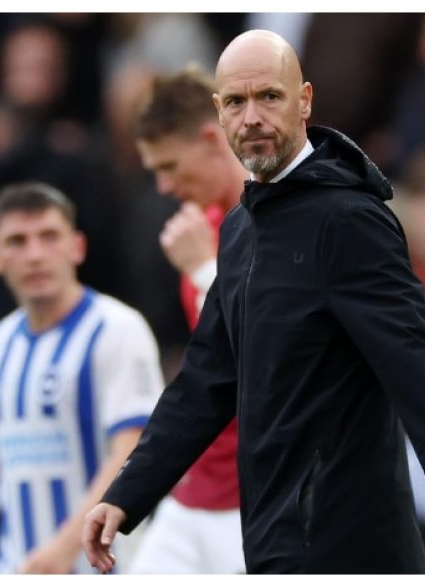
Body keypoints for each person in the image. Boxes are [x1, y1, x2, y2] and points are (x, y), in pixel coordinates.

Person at [84, 29, 425, 574]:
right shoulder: (239, 229)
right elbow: (207, 380)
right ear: (219, 113)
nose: (252, 116)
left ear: (304, 100)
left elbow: (419, 365)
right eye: (236, 101)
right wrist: (127, 494)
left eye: (269, 97)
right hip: (272, 539)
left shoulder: (349, 220)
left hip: (350, 545)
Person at [0, 181, 165, 573]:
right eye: (17, 241)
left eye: (49, 236)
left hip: (105, 567)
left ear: (77, 246)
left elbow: (133, 450)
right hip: (18, 564)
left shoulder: (117, 329)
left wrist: (64, 550)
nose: (35, 255)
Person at [126, 68, 247, 573]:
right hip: (196, 487)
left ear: (209, 138)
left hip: (258, 494)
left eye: (170, 166)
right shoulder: (203, 228)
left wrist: (203, 269)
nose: (164, 186)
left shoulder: (281, 224)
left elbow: (266, 345)